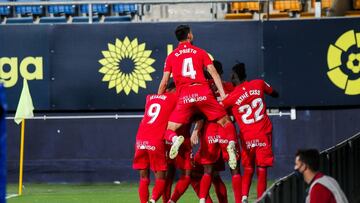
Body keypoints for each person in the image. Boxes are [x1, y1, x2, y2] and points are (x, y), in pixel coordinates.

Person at [158, 24, 237, 203]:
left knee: (169, 129)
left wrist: (159, 99)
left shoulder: (171, 56)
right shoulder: (201, 52)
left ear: (178, 38)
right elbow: (214, 73)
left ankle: (174, 139)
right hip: (203, 93)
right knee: (226, 122)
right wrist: (223, 95)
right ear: (190, 35)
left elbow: (164, 82)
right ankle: (231, 144)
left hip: (184, 96)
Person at [222, 63, 279, 203]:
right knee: (262, 168)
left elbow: (221, 109)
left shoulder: (231, 97)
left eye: (231, 76)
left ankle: (244, 198)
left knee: (248, 168)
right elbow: (275, 93)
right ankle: (260, 199)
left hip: (247, 136)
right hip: (263, 134)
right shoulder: (258, 83)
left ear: (234, 76)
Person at [132, 82, 177, 203]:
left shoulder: (149, 97)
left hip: (140, 139)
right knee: (161, 178)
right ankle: (152, 201)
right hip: (156, 140)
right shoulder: (174, 97)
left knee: (143, 177)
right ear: (173, 89)